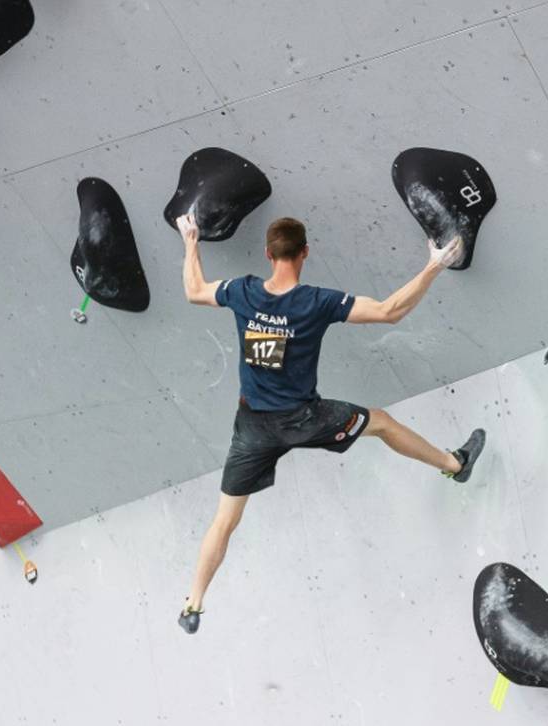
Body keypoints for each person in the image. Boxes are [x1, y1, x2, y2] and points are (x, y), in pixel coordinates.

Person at [175, 213, 486, 634]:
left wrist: (191, 239)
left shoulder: (242, 292)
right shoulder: (316, 302)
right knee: (382, 424)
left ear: (268, 254)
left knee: (224, 520)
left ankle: (193, 604)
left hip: (252, 427)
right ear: (305, 252)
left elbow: (194, 290)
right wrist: (434, 264)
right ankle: (455, 465)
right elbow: (389, 311)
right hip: (305, 419)